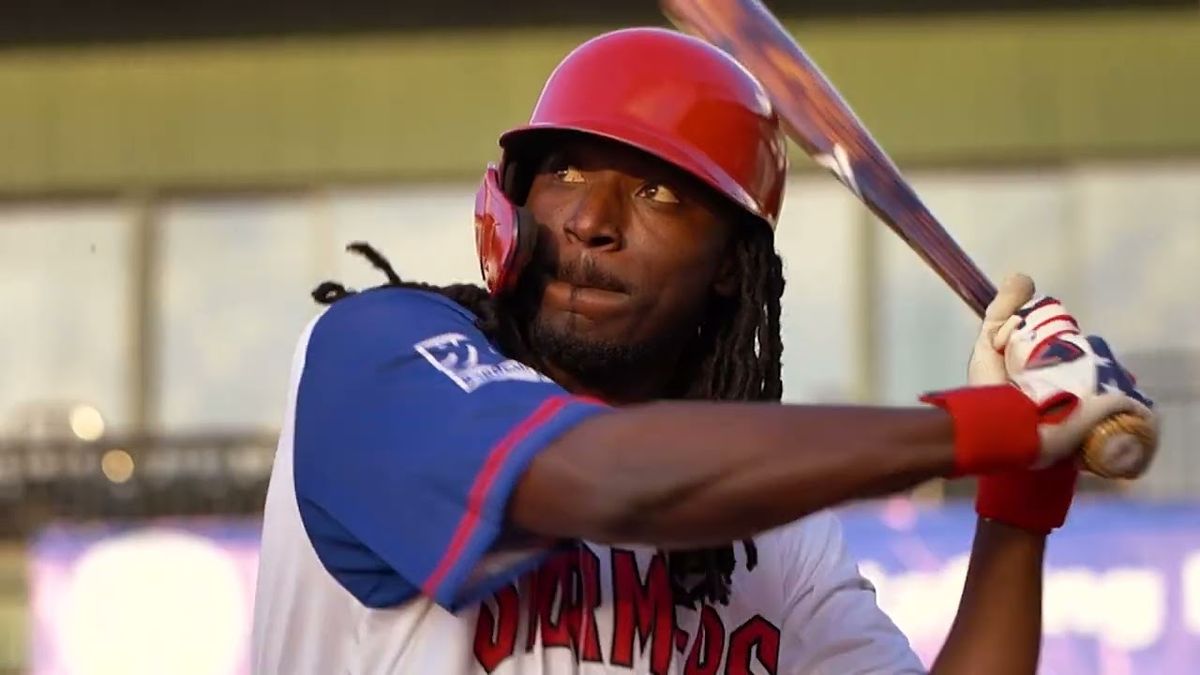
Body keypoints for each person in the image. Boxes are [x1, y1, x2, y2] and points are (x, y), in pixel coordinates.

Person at [249, 27, 1155, 674]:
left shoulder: (776, 533)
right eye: (564, 172)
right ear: (511, 203)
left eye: (655, 192)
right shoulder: (376, 358)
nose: (591, 222)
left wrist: (1018, 510)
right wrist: (1001, 422)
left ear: (731, 268)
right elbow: (606, 479)